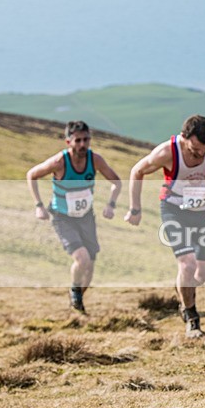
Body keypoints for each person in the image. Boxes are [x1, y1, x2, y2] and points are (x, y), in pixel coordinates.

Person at [124, 115, 205, 338]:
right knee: (187, 265)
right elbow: (136, 171)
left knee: (202, 273)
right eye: (196, 149)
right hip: (173, 210)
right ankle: (191, 318)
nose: (201, 155)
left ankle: (183, 287)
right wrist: (135, 209)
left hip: (203, 212)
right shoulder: (167, 152)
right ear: (184, 138)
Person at [26, 121, 122, 313]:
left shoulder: (95, 160)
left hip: (86, 217)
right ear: (68, 141)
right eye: (78, 140)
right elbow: (31, 175)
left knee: (90, 267)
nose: (82, 145)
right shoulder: (59, 162)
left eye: (86, 140)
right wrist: (39, 206)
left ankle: (76, 301)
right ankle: (74, 291)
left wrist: (111, 204)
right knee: (82, 259)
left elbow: (116, 182)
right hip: (63, 217)